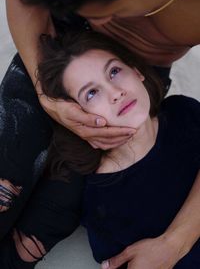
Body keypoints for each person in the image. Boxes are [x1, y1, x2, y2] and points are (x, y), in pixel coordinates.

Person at [0, 0, 199, 268]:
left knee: (52, 213)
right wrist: (45, 94)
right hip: (56, 50)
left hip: (138, 71)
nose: (104, 24)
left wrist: (175, 242)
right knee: (8, 168)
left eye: (113, 9)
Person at [37, 30, 200, 269]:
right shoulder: (101, 201)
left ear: (136, 71)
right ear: (79, 119)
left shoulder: (182, 111)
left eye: (114, 71)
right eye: (91, 93)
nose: (115, 93)